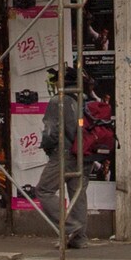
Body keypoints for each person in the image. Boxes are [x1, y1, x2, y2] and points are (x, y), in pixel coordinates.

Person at [36, 87, 90, 248]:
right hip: (83, 151)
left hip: (63, 152)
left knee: (44, 190)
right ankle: (79, 238)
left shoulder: (58, 100)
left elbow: (51, 130)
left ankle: (70, 227)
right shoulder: (83, 98)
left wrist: (46, 146)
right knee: (77, 193)